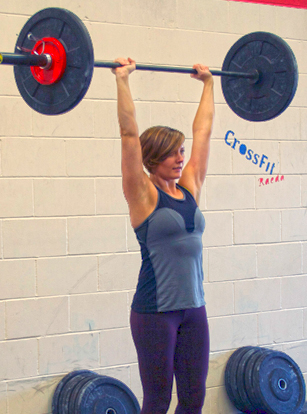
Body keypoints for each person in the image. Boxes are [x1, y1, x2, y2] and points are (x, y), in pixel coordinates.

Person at [112, 57, 214, 414]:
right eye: (170, 153)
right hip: (155, 311)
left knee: (194, 398)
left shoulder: (189, 189)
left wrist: (208, 84)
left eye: (180, 151)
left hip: (193, 308)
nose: (179, 158)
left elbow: (203, 133)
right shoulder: (142, 195)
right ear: (151, 158)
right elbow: (128, 135)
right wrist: (122, 80)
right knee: (157, 400)